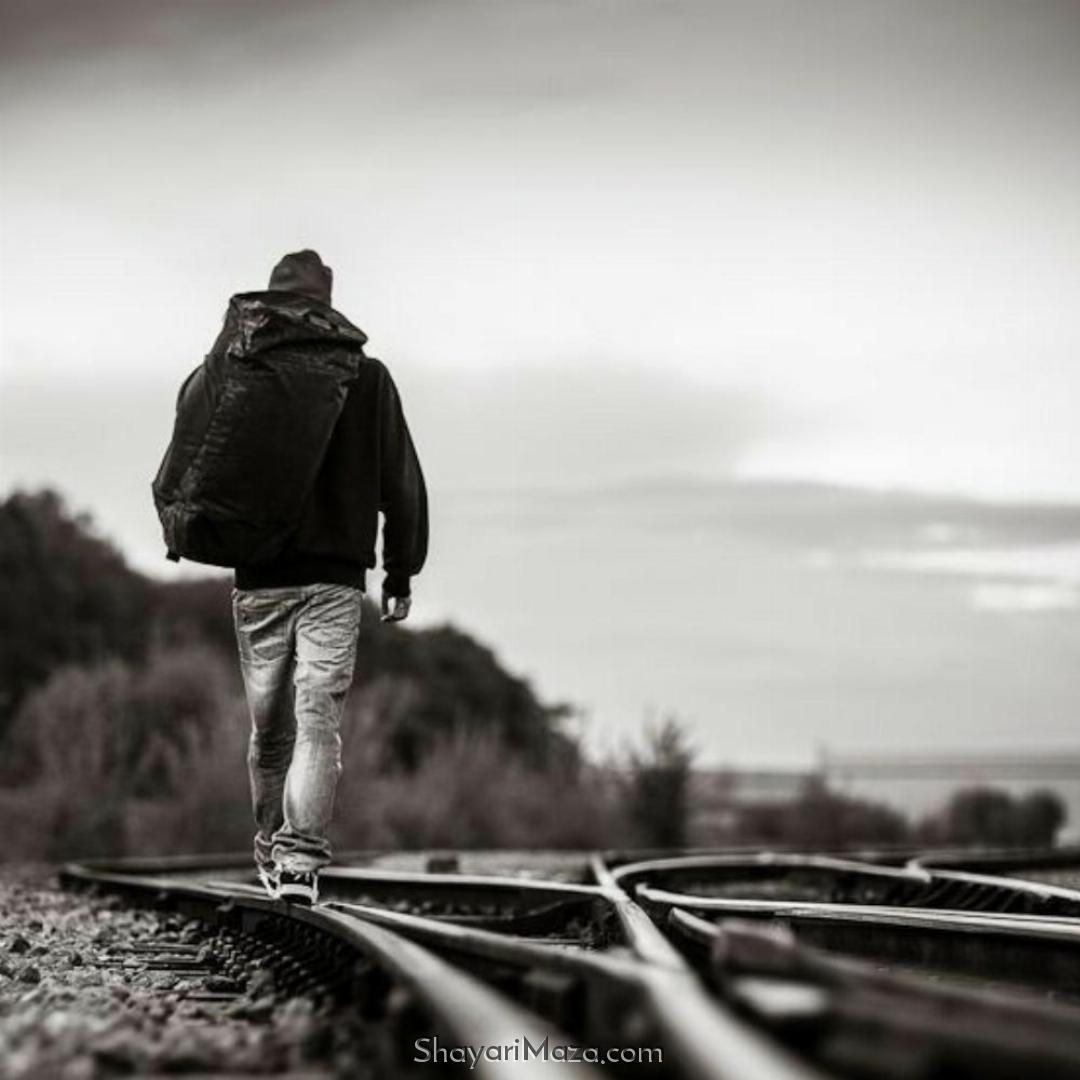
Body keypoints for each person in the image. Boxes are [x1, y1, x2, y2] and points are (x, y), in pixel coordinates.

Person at [231, 249, 428, 904]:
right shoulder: (367, 379)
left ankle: (276, 850)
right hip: (335, 582)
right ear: (327, 308)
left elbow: (198, 455)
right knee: (315, 720)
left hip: (259, 579)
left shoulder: (242, 371)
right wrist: (401, 570)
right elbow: (401, 481)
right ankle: (295, 862)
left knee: (272, 730)